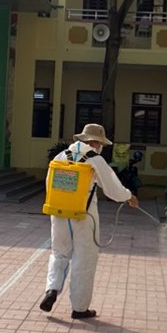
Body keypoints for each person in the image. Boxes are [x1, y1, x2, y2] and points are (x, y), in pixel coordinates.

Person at [40, 122, 139, 319]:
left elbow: (49, 183)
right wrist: (129, 196)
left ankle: (52, 289)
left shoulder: (61, 156)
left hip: (59, 213)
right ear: (95, 142)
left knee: (59, 253)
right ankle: (79, 308)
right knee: (84, 259)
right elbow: (112, 188)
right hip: (84, 216)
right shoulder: (95, 160)